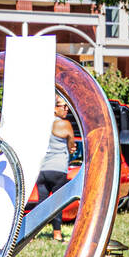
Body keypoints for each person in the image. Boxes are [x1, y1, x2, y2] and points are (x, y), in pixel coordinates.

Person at [35, 95, 76, 240]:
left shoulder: (41, 123)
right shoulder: (64, 124)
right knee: (58, 202)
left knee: (42, 203)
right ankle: (57, 234)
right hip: (58, 168)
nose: (66, 110)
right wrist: (71, 146)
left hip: (42, 168)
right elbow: (72, 145)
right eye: (63, 106)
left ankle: (32, 234)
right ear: (54, 108)